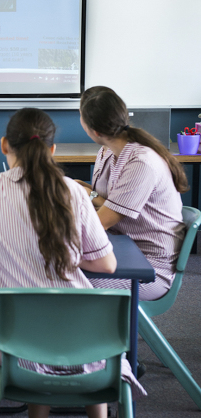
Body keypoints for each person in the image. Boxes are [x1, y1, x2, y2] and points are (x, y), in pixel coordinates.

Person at [0, 107, 145, 418]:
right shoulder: (72, 191)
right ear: (53, 151)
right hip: (90, 344)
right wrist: (68, 256)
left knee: (37, 335)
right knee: (83, 339)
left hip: (21, 351)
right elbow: (106, 266)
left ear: (5, 145)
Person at [78, 86, 187, 300]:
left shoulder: (141, 163)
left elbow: (100, 223)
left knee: (56, 276)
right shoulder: (108, 150)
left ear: (95, 131)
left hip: (148, 268)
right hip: (122, 250)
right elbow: (106, 203)